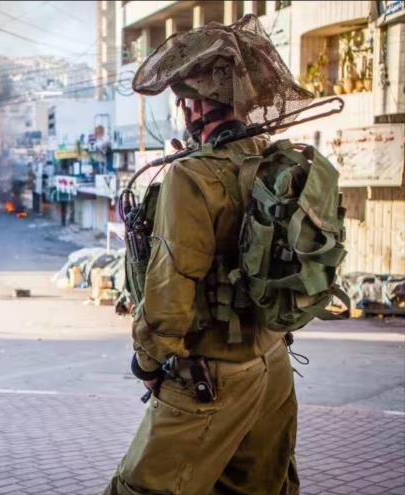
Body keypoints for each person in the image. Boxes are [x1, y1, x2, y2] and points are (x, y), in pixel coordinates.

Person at [102, 15, 316, 495]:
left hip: (210, 374)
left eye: (182, 100)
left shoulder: (191, 177)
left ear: (197, 104)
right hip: (271, 366)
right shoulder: (270, 158)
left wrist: (150, 363)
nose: (182, 110)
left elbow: (169, 291)